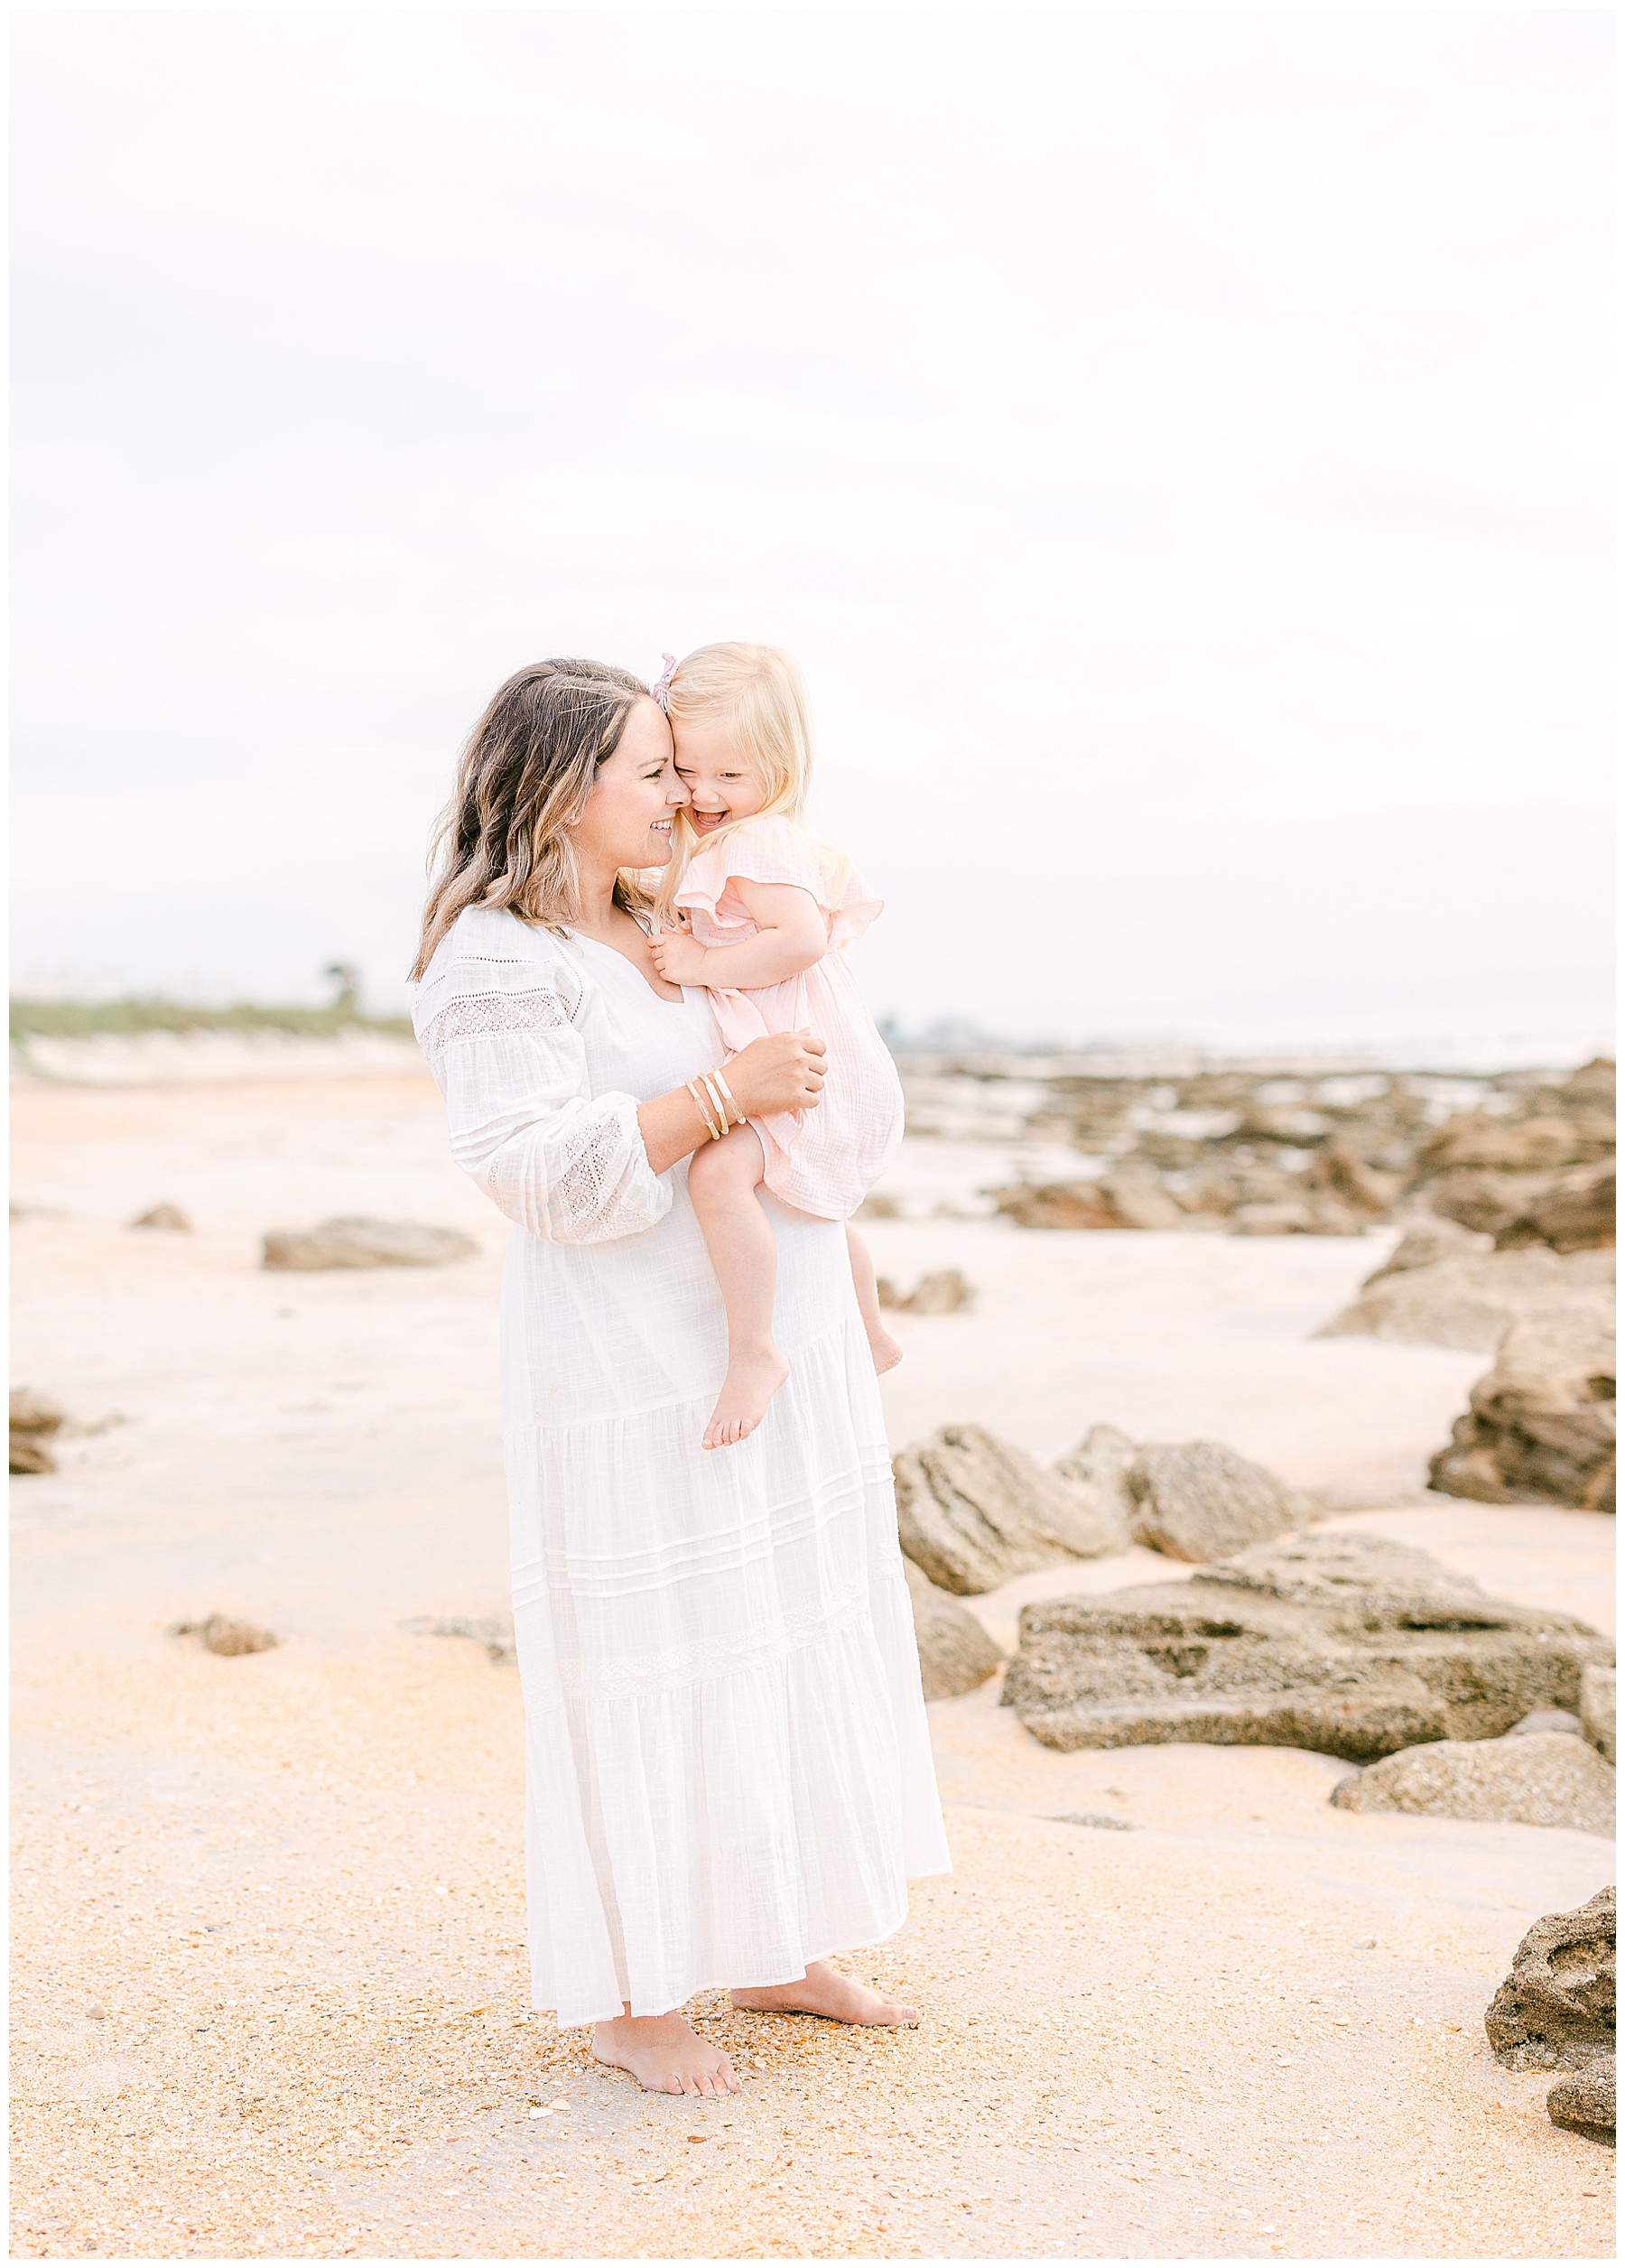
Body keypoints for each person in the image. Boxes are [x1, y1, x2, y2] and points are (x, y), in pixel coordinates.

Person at [410, 659, 950, 2097]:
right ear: (558, 788)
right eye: (652, 772)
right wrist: (727, 1096)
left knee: (777, 1626)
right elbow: (529, 1170)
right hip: (633, 1364)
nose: (680, 797)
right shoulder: (500, 958)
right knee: (654, 1660)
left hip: (765, 1345)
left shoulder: (666, 918)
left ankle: (777, 1939)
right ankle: (637, 1993)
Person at [644, 643, 905, 1451]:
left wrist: (702, 962)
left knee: (723, 1176)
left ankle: (754, 1350)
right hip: (819, 1055)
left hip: (811, 1061)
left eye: (732, 776)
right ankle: (871, 1330)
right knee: (802, 1202)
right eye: (688, 772)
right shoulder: (754, 838)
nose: (705, 794)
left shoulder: (752, 845)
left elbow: (796, 943)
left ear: (781, 767)